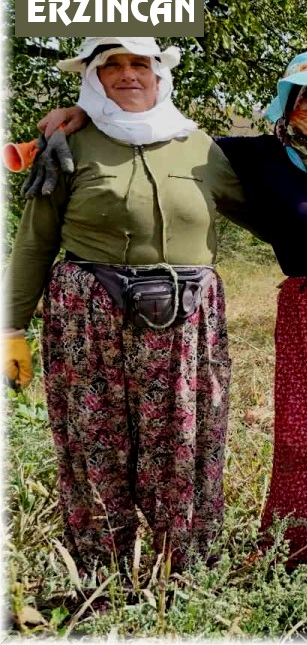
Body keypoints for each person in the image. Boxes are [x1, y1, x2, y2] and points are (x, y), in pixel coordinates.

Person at [33, 50, 307, 564]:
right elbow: (160, 133)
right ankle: (288, 556)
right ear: (286, 102)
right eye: (305, 94)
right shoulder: (256, 156)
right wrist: (90, 112)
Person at [4, 37, 255, 571]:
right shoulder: (69, 143)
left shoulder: (199, 146)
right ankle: (102, 579)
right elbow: (34, 241)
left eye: (139, 63)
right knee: (97, 445)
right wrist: (11, 329)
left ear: (159, 74)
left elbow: (268, 211)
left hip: (188, 322)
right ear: (92, 78)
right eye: (111, 66)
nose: (127, 74)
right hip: (90, 319)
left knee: (185, 447)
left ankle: (182, 577)